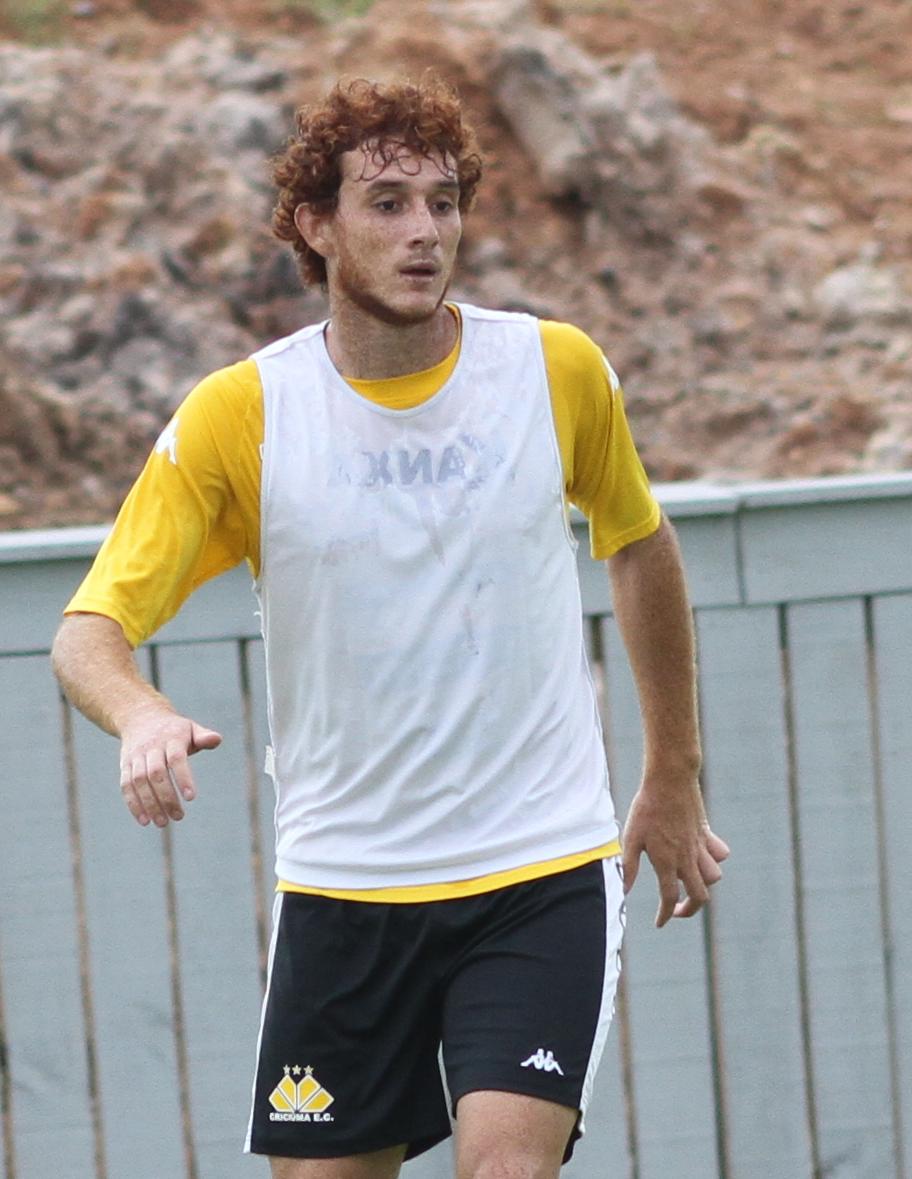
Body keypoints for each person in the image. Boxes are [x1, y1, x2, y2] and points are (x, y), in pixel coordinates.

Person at [49, 76, 729, 1178]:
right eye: (388, 203)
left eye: (444, 202)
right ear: (315, 226)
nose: (426, 232)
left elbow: (639, 542)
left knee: (505, 1167)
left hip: (538, 866)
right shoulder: (244, 414)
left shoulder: (553, 369)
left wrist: (674, 771)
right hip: (343, 883)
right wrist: (142, 718)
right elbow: (88, 631)